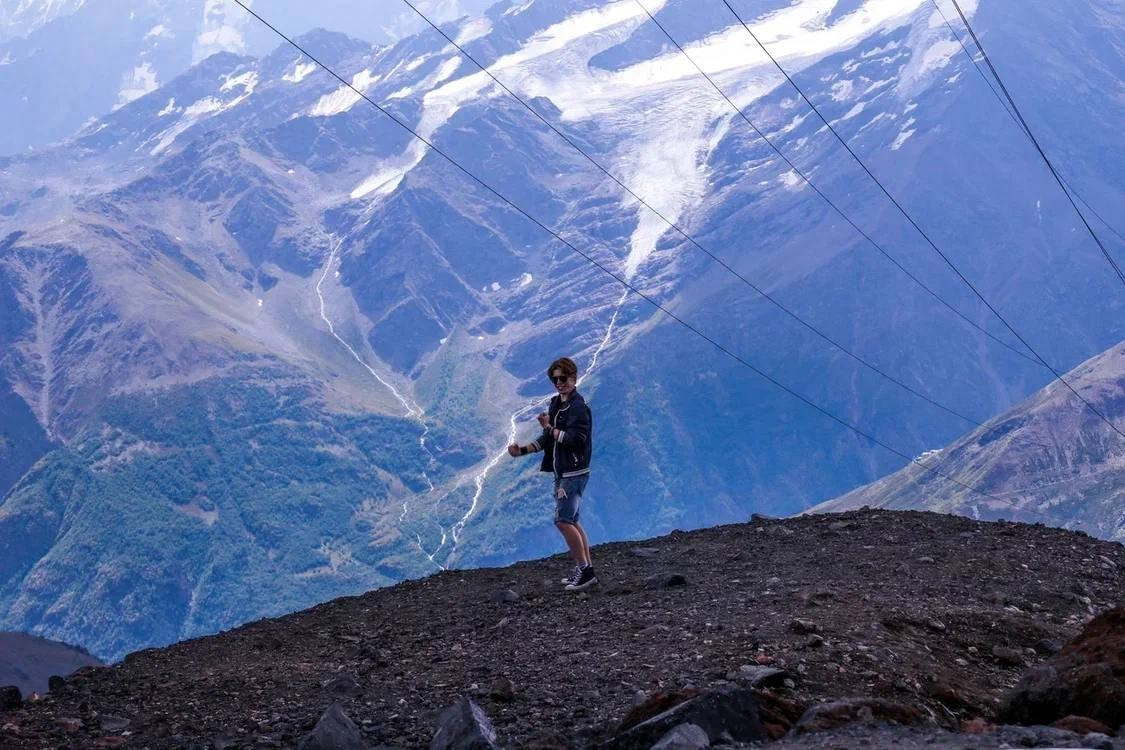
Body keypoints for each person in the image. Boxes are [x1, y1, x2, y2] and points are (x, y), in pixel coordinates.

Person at [507, 356, 596, 591]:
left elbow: (575, 440)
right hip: (563, 471)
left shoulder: (578, 407)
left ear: (574, 378)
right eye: (554, 379)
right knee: (572, 520)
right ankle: (585, 569)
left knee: (563, 521)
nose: (559, 383)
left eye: (563, 378)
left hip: (573, 472)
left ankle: (585, 572)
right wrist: (522, 451)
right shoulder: (557, 403)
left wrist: (548, 427)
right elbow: (548, 440)